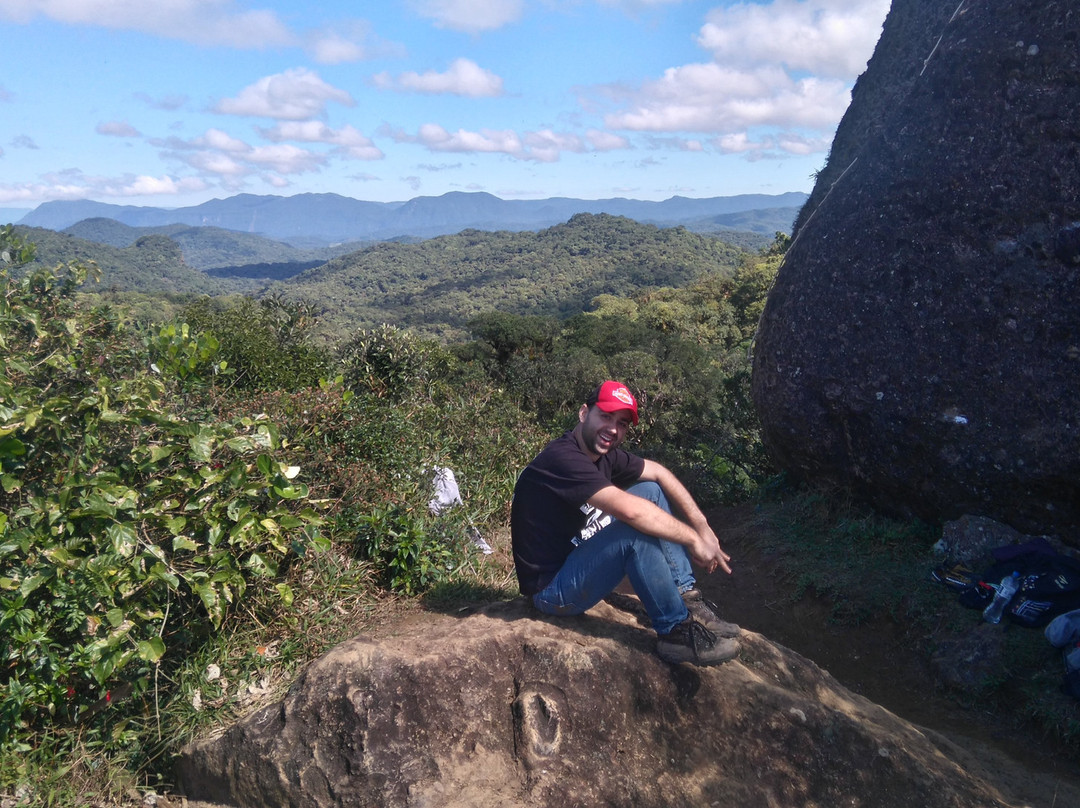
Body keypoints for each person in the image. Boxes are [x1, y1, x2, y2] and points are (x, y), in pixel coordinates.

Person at [511, 380, 741, 665]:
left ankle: (686, 596)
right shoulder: (562, 458)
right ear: (584, 413)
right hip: (551, 589)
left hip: (579, 560)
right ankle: (674, 632)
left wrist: (703, 526)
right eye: (605, 416)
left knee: (651, 491)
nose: (612, 429)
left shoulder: (603, 455)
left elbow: (659, 473)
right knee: (634, 531)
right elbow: (633, 514)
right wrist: (693, 539)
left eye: (621, 423)